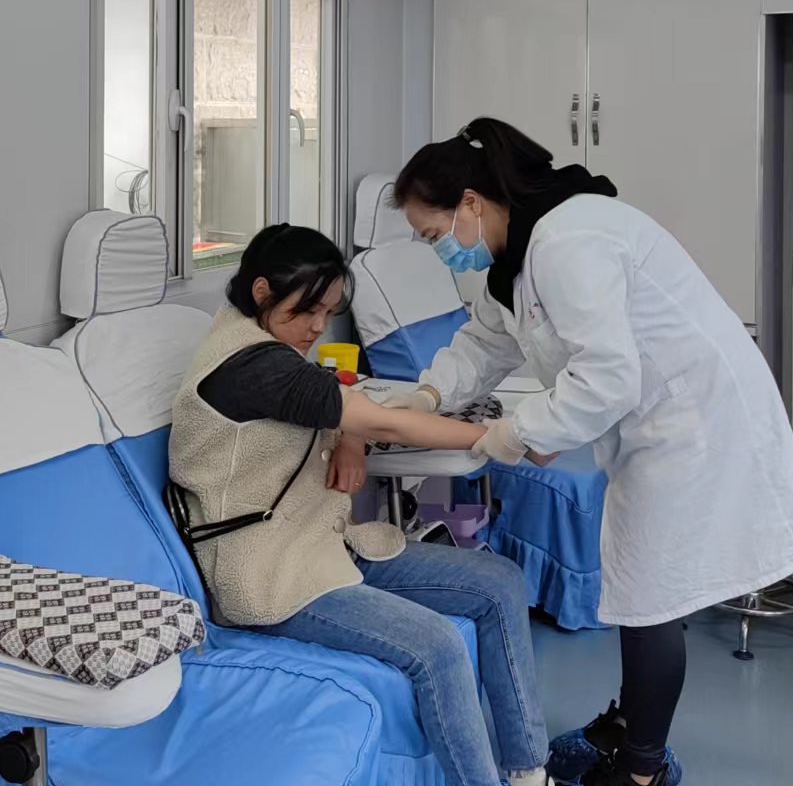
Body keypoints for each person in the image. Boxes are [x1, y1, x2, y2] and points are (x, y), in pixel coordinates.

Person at [386, 118, 793, 786]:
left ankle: (643, 771)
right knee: (636, 583)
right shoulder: (517, 255)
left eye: (433, 233)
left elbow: (608, 378)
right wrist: (426, 393)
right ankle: (629, 723)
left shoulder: (567, 239)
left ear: (470, 202)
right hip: (653, 423)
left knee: (649, 593)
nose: (437, 249)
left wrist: (517, 434)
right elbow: (485, 343)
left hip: (691, 422)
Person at [169, 223, 555, 786]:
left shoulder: (268, 346)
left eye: (327, 311)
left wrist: (350, 437)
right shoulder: (252, 366)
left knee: (500, 582)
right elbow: (381, 419)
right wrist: (503, 436)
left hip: (318, 545)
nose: (318, 326)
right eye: (308, 311)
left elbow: (342, 403)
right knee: (438, 645)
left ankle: (528, 771)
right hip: (268, 577)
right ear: (261, 291)